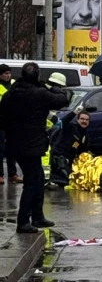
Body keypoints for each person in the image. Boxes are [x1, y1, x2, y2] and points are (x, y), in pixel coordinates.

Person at [0, 62, 68, 233]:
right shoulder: (39, 93)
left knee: (37, 180)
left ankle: (37, 216)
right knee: (32, 182)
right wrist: (56, 89)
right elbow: (61, 101)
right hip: (31, 145)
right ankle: (23, 220)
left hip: (15, 144)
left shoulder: (10, 95)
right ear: (37, 76)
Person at [49, 107, 90, 187]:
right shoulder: (70, 127)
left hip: (70, 162)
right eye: (82, 119)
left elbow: (83, 152)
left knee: (81, 178)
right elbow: (62, 122)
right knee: (71, 180)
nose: (84, 121)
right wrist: (74, 113)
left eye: (86, 120)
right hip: (59, 160)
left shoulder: (85, 136)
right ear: (77, 120)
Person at [0, 64, 20, 184]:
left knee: (12, 148)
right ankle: (0, 175)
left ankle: (13, 174)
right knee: (0, 149)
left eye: (9, 73)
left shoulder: (14, 85)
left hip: (12, 121)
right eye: (5, 73)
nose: (8, 76)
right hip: (0, 122)